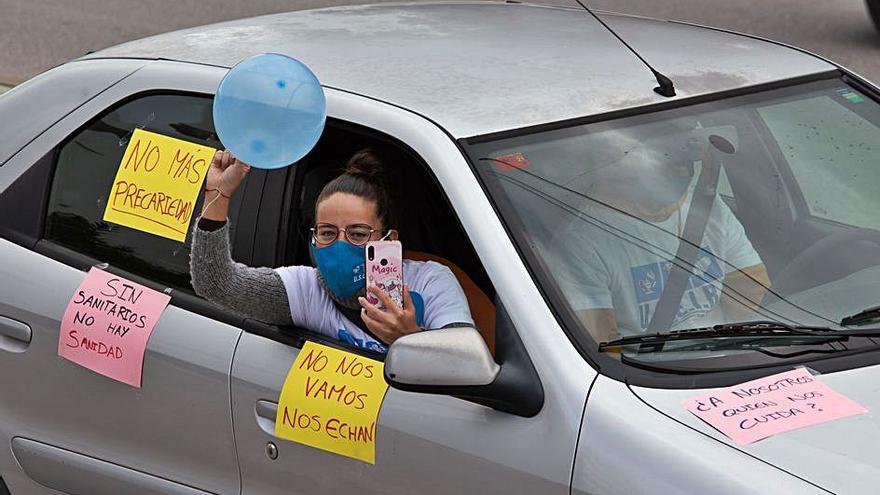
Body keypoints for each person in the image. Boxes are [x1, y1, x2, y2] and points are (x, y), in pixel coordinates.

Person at [190, 148, 474, 353]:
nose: (340, 244)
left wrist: (412, 337)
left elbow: (465, 367)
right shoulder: (306, 290)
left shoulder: (431, 282)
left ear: (389, 239)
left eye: (358, 234)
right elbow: (215, 284)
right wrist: (219, 194)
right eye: (327, 233)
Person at [554, 125, 771, 344]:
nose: (682, 171)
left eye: (685, 161)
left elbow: (749, 289)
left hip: (728, 356)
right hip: (651, 371)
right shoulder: (581, 240)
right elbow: (600, 344)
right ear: (619, 164)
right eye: (667, 160)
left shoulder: (706, 206)